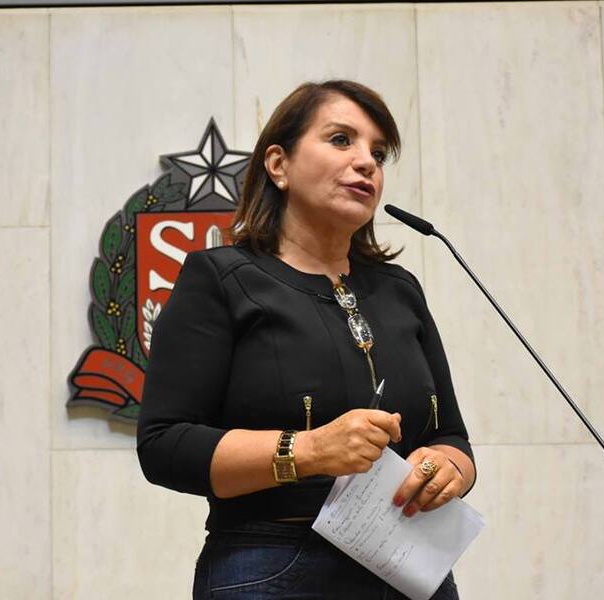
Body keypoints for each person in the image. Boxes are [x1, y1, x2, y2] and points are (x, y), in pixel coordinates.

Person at [136, 80, 476, 599]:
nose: (366, 162)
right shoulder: (221, 278)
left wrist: (449, 469)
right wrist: (311, 449)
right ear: (279, 165)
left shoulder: (401, 291)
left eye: (378, 153)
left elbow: (451, 434)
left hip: (411, 569)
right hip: (273, 565)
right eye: (342, 140)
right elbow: (164, 444)